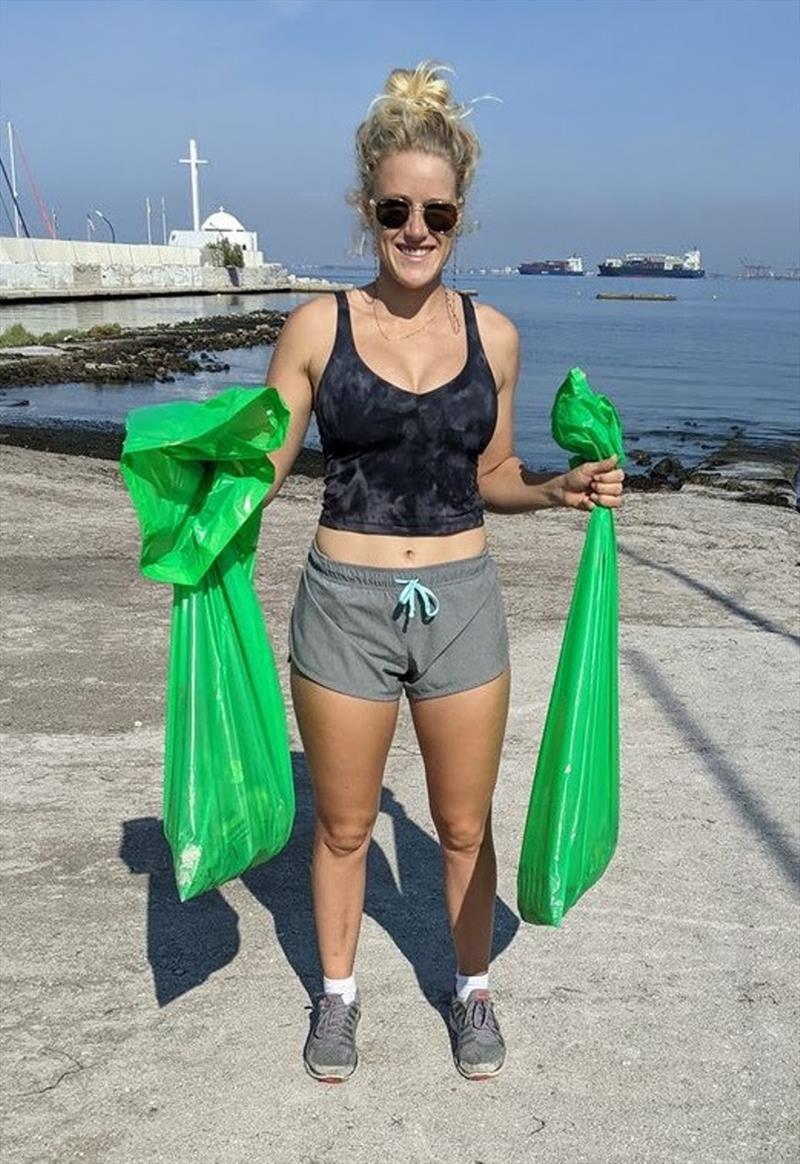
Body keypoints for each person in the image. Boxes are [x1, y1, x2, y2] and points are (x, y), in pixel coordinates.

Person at [263, 61, 624, 1084]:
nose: (415, 228)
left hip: (462, 604)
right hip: (343, 604)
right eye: (395, 207)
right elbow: (261, 465)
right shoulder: (315, 327)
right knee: (341, 826)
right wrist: (192, 510)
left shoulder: (493, 335)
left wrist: (558, 493)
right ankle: (336, 1000)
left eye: (436, 211)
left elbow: (494, 474)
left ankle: (469, 990)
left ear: (459, 215)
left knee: (462, 825)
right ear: (367, 208)